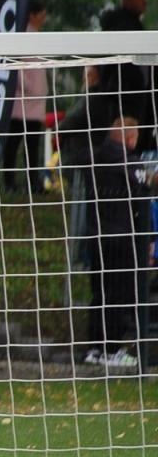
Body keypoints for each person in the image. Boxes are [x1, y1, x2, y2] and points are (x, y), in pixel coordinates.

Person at [84, 116, 149, 371]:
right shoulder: (129, 162)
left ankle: (95, 348)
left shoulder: (93, 157)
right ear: (131, 138)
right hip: (122, 236)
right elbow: (141, 188)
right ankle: (111, 348)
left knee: (99, 293)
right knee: (119, 294)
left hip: (96, 234)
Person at [0, 1, 50, 195]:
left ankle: (32, 182)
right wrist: (28, 86)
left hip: (34, 104)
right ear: (32, 15)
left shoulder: (35, 36)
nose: (44, 18)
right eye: (41, 13)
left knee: (32, 145)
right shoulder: (24, 36)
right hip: (22, 103)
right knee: (15, 144)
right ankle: (11, 183)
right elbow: (15, 66)